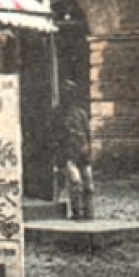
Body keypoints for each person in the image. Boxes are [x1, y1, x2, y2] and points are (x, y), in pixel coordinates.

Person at [56, 93, 94, 221]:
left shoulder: (81, 114)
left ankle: (89, 212)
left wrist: (88, 150)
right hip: (69, 153)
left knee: (88, 184)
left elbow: (88, 133)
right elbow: (57, 136)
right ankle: (77, 212)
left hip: (82, 153)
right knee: (75, 182)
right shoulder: (60, 115)